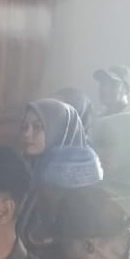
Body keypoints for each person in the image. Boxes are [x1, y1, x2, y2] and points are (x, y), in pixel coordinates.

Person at [16, 98, 88, 243]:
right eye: (25, 126)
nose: (26, 134)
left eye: (37, 126)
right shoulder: (29, 168)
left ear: (60, 131)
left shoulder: (77, 192)